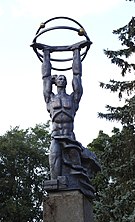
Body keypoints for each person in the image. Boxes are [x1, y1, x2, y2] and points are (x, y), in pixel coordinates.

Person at [40, 41, 91, 179]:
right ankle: (55, 185)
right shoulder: (50, 98)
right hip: (56, 136)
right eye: (59, 78)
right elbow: (45, 77)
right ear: (55, 82)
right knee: (54, 159)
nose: (61, 79)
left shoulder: (73, 99)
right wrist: (46, 54)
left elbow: (77, 76)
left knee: (77, 174)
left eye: (64, 78)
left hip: (69, 137)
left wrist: (76, 52)